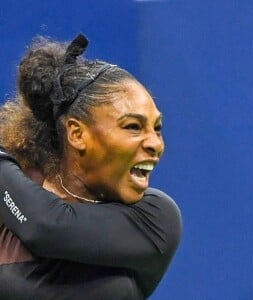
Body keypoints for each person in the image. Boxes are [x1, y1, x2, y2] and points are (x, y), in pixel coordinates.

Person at [0, 34, 182, 299]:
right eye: (133, 127)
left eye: (157, 128)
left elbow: (44, 227)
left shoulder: (155, 218)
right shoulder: (16, 184)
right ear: (77, 134)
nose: (155, 144)